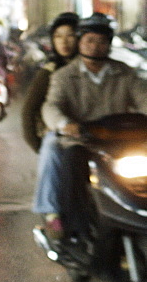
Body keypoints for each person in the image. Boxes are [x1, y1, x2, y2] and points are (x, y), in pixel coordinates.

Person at [34, 12, 147, 241]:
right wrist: (66, 124)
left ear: (109, 44)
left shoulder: (124, 72)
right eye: (90, 40)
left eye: (102, 41)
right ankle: (76, 229)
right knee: (72, 161)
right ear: (80, 42)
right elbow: (51, 107)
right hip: (83, 140)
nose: (96, 46)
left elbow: (143, 97)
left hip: (121, 140)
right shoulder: (65, 76)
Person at [21, 13, 79, 152]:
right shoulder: (49, 71)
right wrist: (38, 146)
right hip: (60, 140)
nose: (64, 42)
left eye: (70, 35)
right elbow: (29, 110)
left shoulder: (89, 69)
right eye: (58, 36)